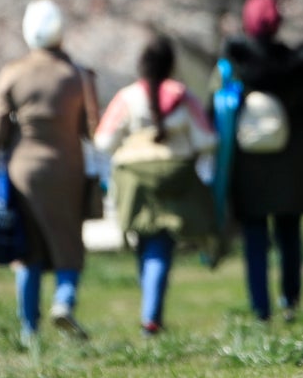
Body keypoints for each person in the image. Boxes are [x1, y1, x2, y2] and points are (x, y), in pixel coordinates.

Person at [0, 0, 98, 343]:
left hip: (22, 171)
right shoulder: (79, 75)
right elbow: (93, 130)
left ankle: (28, 331)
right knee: (68, 244)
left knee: (26, 250)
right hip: (67, 169)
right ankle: (64, 301)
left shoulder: (12, 73)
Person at [215, 0, 303, 322]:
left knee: (254, 237)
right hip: (291, 167)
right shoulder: (298, 65)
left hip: (249, 167)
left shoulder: (234, 68)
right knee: (289, 236)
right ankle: (290, 303)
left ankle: (260, 309)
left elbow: (218, 113)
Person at [93, 34, 219, 337]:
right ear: (171, 64)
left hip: (133, 177)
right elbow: (207, 140)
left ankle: (150, 314)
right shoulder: (183, 96)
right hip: (175, 174)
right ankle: (151, 316)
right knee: (162, 245)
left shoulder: (126, 97)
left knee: (147, 243)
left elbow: (103, 140)